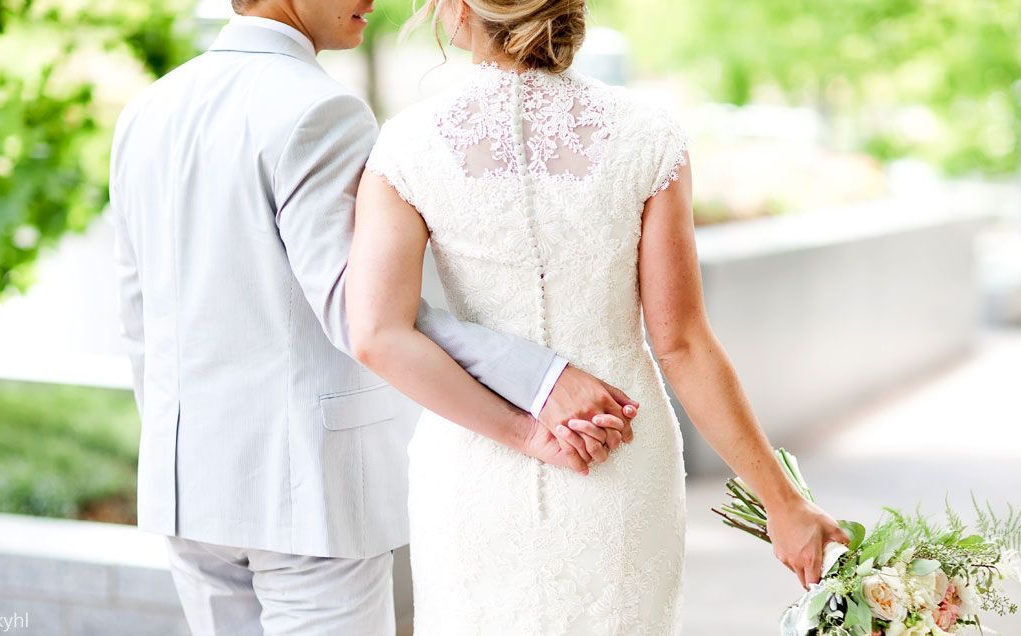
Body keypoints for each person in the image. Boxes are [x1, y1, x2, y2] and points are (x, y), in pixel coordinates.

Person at [108, 0, 642, 633]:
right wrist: (540, 379)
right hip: (307, 495)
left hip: (186, 489)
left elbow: (136, 313)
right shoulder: (318, 111)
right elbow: (361, 313)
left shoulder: (148, 109)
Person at [344, 0, 852, 633]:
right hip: (619, 453)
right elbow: (682, 344)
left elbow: (376, 335)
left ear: (457, 11)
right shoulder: (647, 135)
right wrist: (784, 503)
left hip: (473, 463)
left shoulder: (408, 144)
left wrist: (524, 434)